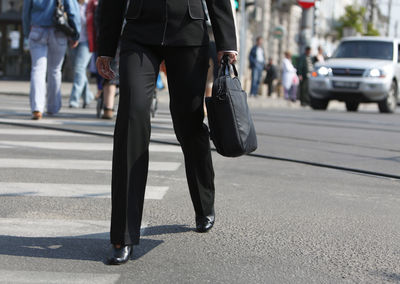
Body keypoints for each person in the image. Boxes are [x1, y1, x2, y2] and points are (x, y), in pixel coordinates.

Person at [96, 0, 237, 265]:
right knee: (132, 118)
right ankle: (123, 235)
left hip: (188, 31)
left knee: (189, 123)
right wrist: (106, 46)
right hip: (139, 32)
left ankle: (204, 202)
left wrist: (226, 42)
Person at [23, 0, 81, 120]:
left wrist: (26, 33)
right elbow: (73, 11)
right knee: (55, 70)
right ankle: (52, 107)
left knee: (37, 69)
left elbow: (25, 12)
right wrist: (75, 33)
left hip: (37, 29)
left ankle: (37, 107)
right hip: (58, 30)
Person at [69, 0, 94, 109]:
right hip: (73, 41)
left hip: (87, 42)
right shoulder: (71, 3)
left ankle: (74, 99)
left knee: (79, 68)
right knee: (79, 70)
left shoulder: (91, 5)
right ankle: (88, 96)